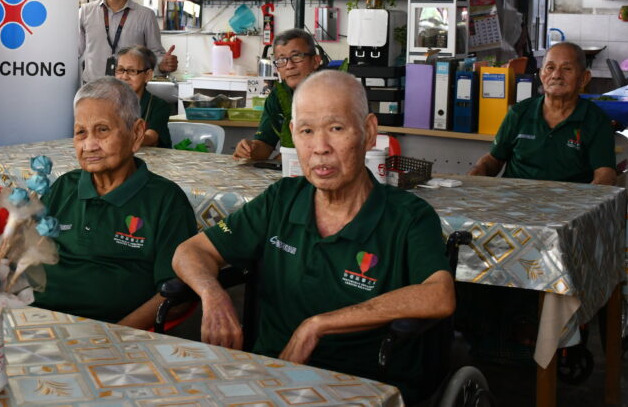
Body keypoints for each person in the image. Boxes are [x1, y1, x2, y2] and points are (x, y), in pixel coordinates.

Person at [173, 70, 454, 403]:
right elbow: (190, 252)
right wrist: (213, 295)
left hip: (365, 386)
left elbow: (439, 295)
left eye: (336, 128)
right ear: (293, 135)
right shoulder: (281, 199)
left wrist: (319, 325)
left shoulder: (407, 216)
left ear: (368, 132)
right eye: (307, 131)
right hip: (271, 377)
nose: (320, 148)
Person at [34, 77, 197, 327]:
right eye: (80, 132)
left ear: (137, 133)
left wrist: (118, 334)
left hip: (112, 334)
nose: (89, 145)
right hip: (36, 320)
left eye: (102, 130)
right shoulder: (64, 186)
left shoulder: (166, 200)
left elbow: (176, 295)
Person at [468, 41, 616, 184]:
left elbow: (605, 175)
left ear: (584, 78)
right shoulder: (519, 113)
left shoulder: (596, 120)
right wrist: (478, 171)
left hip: (569, 204)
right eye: (550, 68)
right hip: (513, 200)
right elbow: (495, 159)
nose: (556, 75)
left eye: (567, 69)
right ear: (541, 75)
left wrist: (590, 203)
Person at [79, 0, 177, 84]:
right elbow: (74, 52)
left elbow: (155, 55)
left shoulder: (145, 15)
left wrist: (163, 64)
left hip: (130, 91)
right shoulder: (85, 12)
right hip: (94, 90)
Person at [233, 28, 322, 161]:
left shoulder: (333, 94)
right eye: (281, 60)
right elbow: (265, 144)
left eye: (296, 56)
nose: (289, 66)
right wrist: (250, 149)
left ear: (315, 61)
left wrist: (288, 156)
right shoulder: (278, 96)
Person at [114, 45, 172, 148]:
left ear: (147, 75)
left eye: (132, 71)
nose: (124, 76)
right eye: (121, 70)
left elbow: (151, 138)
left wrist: (117, 138)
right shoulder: (108, 104)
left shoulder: (160, 106)